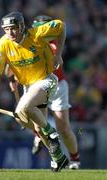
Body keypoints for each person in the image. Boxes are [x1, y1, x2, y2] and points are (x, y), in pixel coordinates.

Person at [0, 11, 69, 172]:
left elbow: (62, 26)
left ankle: (51, 132)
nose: (10, 33)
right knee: (35, 128)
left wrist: (58, 54)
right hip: (28, 87)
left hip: (46, 80)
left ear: (22, 26)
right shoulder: (2, 45)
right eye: (6, 29)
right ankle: (59, 158)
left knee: (23, 108)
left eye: (13, 28)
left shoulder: (37, 34)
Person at [30, 15, 80, 169]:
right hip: (39, 84)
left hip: (58, 85)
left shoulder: (53, 43)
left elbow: (62, 27)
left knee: (63, 128)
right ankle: (55, 157)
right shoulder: (28, 42)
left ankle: (75, 159)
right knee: (40, 127)